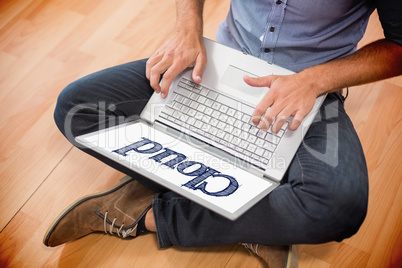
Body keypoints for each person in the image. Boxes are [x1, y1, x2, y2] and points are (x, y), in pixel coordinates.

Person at [44, 0, 402, 266]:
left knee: (339, 207)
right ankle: (261, 218)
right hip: (215, 65)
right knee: (76, 109)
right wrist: (187, 28)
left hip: (309, 92)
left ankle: (146, 213)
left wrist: (313, 80)